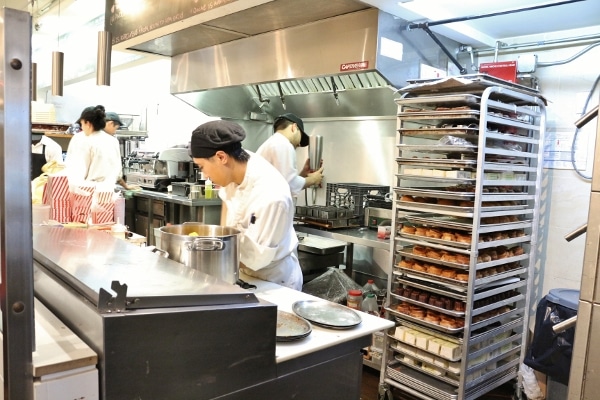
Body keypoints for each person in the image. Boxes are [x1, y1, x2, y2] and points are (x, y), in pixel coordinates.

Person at [190, 120, 303, 290]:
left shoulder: (271, 195)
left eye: (202, 167)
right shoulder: (234, 166)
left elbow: (257, 260)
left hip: (273, 281)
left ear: (221, 157)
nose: (204, 175)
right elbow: (226, 203)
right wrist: (221, 240)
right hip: (240, 271)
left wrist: (208, 256)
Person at [256, 113, 324, 197]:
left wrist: (303, 174)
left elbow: (284, 183)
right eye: (300, 137)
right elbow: (290, 185)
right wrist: (313, 179)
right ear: (294, 127)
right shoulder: (284, 144)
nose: (299, 144)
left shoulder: (273, 143)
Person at [65, 105, 122, 187]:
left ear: (87, 123)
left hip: (88, 193)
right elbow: (118, 173)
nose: (82, 127)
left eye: (81, 124)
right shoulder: (113, 141)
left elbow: (76, 172)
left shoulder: (83, 140)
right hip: (108, 192)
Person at [103, 111, 138, 190]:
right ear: (110, 123)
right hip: (102, 189)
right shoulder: (111, 141)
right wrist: (126, 186)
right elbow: (116, 171)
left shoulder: (86, 137)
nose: (115, 131)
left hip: (82, 190)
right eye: (115, 128)